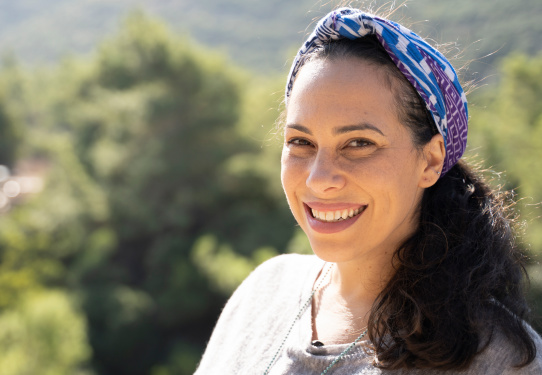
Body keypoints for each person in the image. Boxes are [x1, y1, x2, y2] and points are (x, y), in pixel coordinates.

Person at [194, 7, 542, 375]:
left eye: (359, 143)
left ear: (430, 161)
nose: (318, 178)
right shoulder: (264, 291)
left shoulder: (499, 361)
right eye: (301, 141)